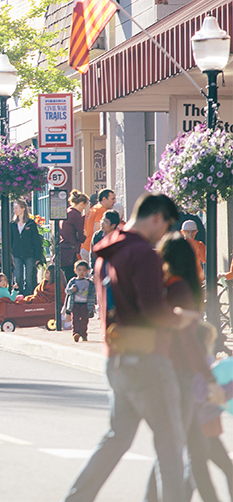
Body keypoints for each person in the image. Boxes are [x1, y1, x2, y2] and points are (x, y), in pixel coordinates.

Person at [63, 193, 200, 502]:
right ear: (157, 218)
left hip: (116, 357)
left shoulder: (107, 251)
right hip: (147, 359)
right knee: (170, 443)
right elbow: (153, 310)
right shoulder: (143, 254)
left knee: (118, 438)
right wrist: (182, 318)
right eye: (165, 226)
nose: (163, 235)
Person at [143, 233, 222, 502]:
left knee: (191, 449)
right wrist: (209, 379)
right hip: (179, 373)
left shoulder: (160, 287)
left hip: (160, 368)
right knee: (177, 448)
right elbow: (189, 340)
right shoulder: (181, 289)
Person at [11, 199, 44, 297]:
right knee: (18, 276)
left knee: (29, 277)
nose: (14, 210)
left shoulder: (31, 223)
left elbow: (36, 241)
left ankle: (28, 296)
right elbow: (11, 240)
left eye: (16, 208)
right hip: (17, 254)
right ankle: (19, 295)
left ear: (23, 209)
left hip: (29, 254)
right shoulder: (12, 224)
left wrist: (38, 256)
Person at [59, 190, 89, 279]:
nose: (84, 208)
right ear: (82, 203)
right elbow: (81, 236)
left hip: (63, 249)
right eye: (85, 205)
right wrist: (84, 235)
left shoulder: (67, 211)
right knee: (72, 277)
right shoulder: (76, 215)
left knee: (66, 277)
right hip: (71, 250)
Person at [64, 260, 95, 342]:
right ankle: (76, 333)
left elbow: (93, 292)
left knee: (84, 320)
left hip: (85, 304)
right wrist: (72, 289)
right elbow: (67, 291)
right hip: (75, 304)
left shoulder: (89, 283)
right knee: (75, 319)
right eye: (79, 270)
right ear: (75, 271)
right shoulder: (73, 281)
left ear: (87, 271)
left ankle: (84, 334)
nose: (82, 272)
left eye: (84, 270)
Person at [81, 189, 116, 260]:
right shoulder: (101, 210)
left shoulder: (94, 208)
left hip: (86, 246)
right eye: (112, 199)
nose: (114, 201)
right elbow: (97, 230)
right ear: (104, 199)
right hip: (92, 249)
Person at [180, 220, 206, 286]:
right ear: (196, 232)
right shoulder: (199, 245)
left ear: (182, 232)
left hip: (180, 279)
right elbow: (205, 259)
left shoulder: (177, 244)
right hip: (197, 278)